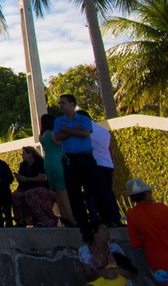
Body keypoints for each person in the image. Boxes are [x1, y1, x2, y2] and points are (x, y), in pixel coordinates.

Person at [79, 222, 161, 286]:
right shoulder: (84, 252)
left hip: (120, 285)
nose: (107, 233)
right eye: (103, 230)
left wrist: (120, 271)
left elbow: (133, 273)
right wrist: (101, 273)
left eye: (107, 230)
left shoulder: (115, 249)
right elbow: (88, 276)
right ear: (95, 234)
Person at [55, 94, 104, 227]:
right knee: (73, 190)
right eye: (60, 103)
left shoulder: (83, 118)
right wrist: (74, 130)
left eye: (63, 103)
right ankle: (80, 219)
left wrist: (67, 130)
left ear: (72, 104)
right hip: (69, 158)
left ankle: (98, 216)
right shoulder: (59, 121)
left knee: (94, 187)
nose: (60, 106)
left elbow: (86, 133)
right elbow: (57, 136)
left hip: (85, 156)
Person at [125, 178, 168, 286]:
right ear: (145, 193)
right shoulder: (162, 208)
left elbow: (135, 243)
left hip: (158, 263)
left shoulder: (131, 215)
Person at [85, 111, 124, 227]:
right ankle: (114, 217)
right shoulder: (103, 131)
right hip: (107, 164)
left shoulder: (86, 132)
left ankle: (95, 217)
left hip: (95, 164)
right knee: (108, 192)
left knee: (91, 193)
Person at [39, 112, 75, 227]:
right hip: (57, 161)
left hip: (48, 161)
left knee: (58, 191)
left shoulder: (42, 136)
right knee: (63, 189)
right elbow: (62, 144)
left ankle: (64, 216)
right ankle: (70, 217)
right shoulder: (52, 134)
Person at [12, 146, 58, 228]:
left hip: (42, 188)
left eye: (24, 153)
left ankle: (44, 220)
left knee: (31, 194)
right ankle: (22, 220)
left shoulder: (40, 163)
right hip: (26, 188)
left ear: (30, 154)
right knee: (16, 196)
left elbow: (43, 178)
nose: (22, 155)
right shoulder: (23, 165)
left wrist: (27, 179)